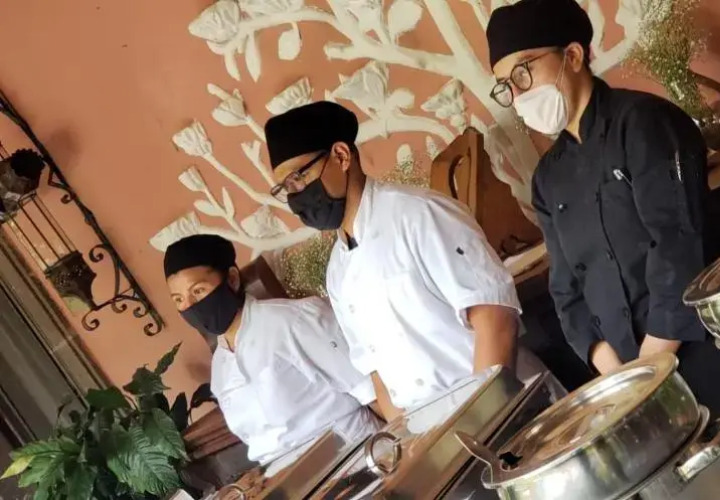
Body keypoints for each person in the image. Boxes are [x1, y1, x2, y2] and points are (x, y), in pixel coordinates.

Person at [486, 0, 720, 422]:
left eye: (522, 72)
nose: (516, 94)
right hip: (632, 378)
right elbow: (566, 291)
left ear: (573, 56)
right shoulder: (548, 178)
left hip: (703, 349)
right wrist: (621, 377)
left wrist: (652, 366)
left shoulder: (645, 122)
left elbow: (677, 244)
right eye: (505, 85)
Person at [263, 101, 544, 422]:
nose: (295, 196)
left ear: (341, 156)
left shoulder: (418, 214)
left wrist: (487, 420)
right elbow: (378, 374)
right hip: (433, 431)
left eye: (298, 177)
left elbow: (495, 319)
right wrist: (408, 439)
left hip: (502, 407)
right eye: (285, 188)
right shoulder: (337, 272)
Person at [163, 234, 380, 465]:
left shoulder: (294, 321)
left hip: (354, 457)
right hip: (289, 476)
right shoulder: (220, 367)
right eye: (179, 299)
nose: (190, 306)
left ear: (232, 279)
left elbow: (371, 390)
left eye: (198, 291)